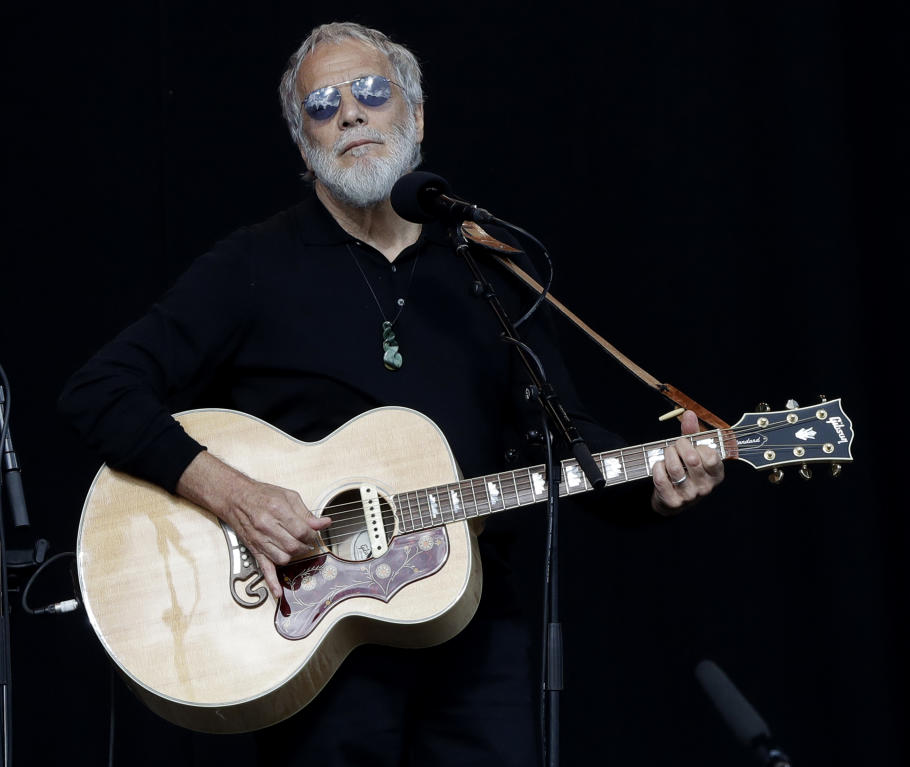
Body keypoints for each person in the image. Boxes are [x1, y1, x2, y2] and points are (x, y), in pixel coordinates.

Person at [59, 21, 724, 765]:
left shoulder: (485, 269)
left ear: (414, 116)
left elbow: (566, 442)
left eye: (372, 92)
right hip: (315, 629)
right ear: (302, 137)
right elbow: (99, 389)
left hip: (474, 635)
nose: (350, 113)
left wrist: (655, 488)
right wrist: (232, 492)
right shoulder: (253, 265)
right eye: (322, 104)